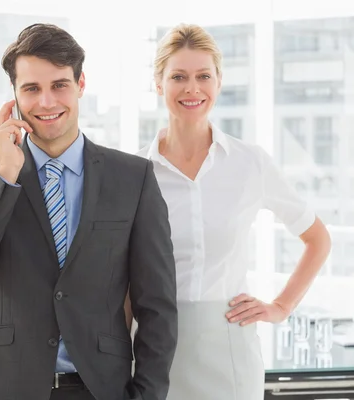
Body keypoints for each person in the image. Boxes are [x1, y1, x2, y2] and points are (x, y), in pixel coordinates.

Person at [0, 23, 177, 400]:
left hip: (98, 388)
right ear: (15, 96)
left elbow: (157, 305)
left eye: (59, 85)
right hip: (4, 388)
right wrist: (6, 174)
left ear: (81, 84)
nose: (47, 102)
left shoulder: (133, 177)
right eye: (32, 89)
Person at [135, 23, 332, 400]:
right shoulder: (135, 172)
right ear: (158, 84)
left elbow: (317, 238)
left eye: (203, 76)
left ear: (219, 83)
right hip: (152, 350)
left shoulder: (250, 163)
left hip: (229, 349)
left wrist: (281, 306)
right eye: (178, 76)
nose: (192, 88)